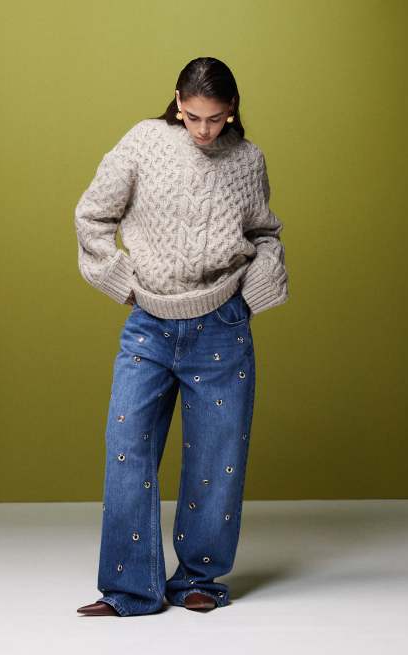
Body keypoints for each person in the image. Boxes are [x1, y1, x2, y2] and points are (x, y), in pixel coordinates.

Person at [74, 57, 289, 617]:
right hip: (149, 324)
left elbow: (265, 233)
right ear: (176, 100)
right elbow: (93, 215)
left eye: (215, 118)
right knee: (127, 448)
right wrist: (121, 280)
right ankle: (128, 589)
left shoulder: (248, 159)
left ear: (231, 109)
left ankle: (200, 580)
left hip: (220, 326)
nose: (203, 130)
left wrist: (253, 293)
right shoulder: (144, 141)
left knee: (217, 456)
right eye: (193, 116)